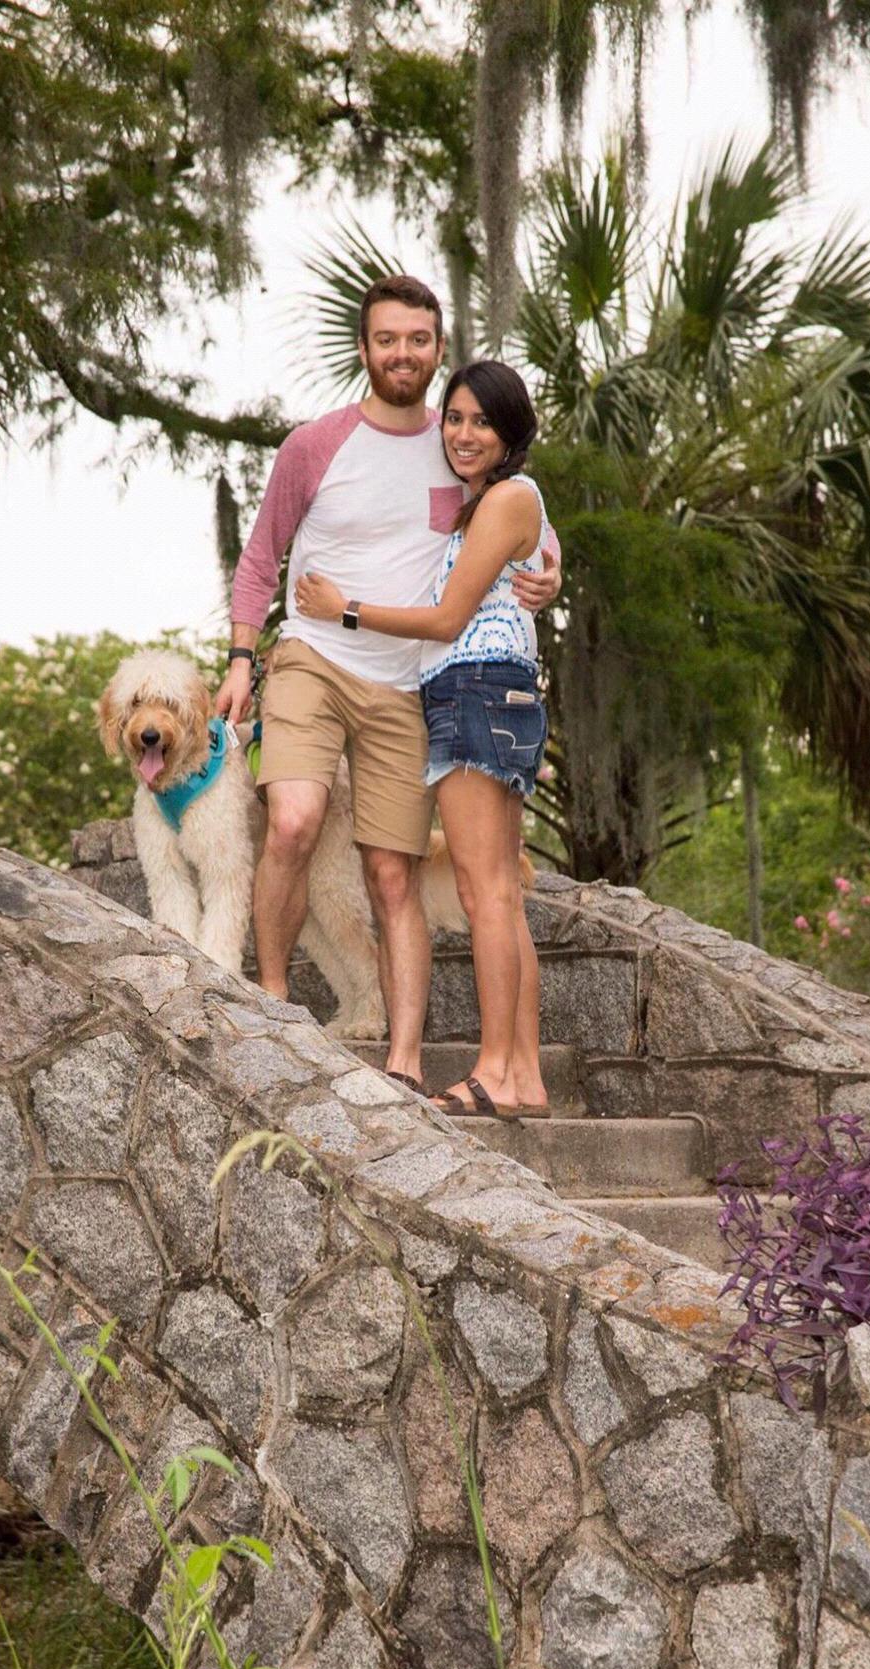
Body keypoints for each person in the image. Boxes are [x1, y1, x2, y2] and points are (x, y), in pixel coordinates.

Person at [219, 275, 559, 1094]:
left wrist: (549, 572)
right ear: (364, 347)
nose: (401, 353)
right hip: (312, 655)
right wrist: (239, 657)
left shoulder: (460, 457)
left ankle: (408, 1061)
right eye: (386, 339)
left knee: (404, 875)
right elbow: (262, 554)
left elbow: (527, 531)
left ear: (437, 348)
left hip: (419, 685)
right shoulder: (317, 444)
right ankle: (270, 999)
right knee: (294, 820)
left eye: (417, 340)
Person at [292, 359, 549, 1120]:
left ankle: (498, 1071)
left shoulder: (508, 497)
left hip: (477, 688)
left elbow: (445, 621)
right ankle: (525, 1078)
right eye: (457, 418)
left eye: (483, 422)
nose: (466, 434)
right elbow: (540, 566)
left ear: (512, 433)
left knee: (486, 893)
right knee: (498, 892)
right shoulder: (489, 505)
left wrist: (344, 611)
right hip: (479, 691)